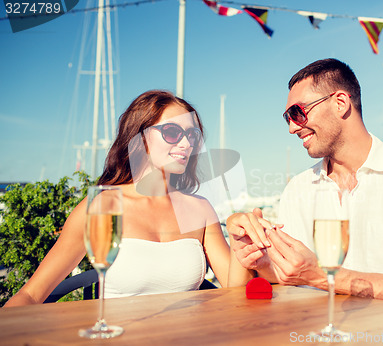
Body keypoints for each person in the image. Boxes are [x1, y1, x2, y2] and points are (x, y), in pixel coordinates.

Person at [227, 59, 383, 307]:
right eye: (287, 117)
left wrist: (322, 276)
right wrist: (259, 261)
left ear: (340, 103)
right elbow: (295, 278)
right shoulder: (297, 189)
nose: (292, 127)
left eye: (297, 112)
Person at [5, 90, 252, 307]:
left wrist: (242, 245)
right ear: (140, 137)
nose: (187, 143)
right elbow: (32, 294)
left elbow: (234, 292)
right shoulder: (102, 206)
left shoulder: (200, 209)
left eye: (193, 135)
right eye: (173, 131)